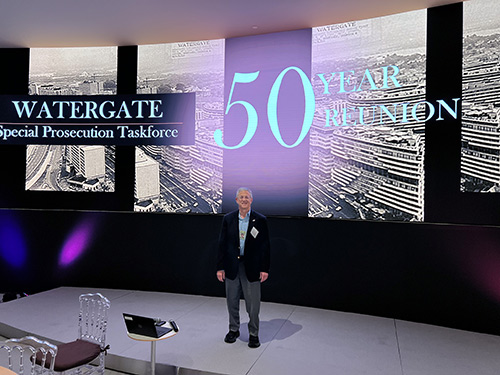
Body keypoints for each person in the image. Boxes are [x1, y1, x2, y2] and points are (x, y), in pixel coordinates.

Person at [216, 187, 270, 348]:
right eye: (241, 197)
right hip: (232, 267)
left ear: (251, 200)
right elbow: (222, 244)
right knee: (231, 301)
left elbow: (265, 246)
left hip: (252, 268)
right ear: (236, 200)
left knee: (253, 304)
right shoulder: (228, 219)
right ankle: (234, 329)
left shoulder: (260, 220)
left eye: (247, 197)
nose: (244, 199)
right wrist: (220, 267)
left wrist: (265, 268)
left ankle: (254, 333)